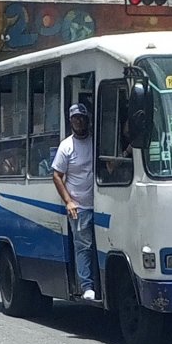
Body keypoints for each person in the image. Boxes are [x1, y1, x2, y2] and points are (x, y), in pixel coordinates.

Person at [52, 103, 97, 301]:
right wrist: (69, 202)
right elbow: (57, 175)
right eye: (75, 118)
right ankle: (87, 286)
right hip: (79, 207)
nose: (78, 121)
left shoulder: (96, 142)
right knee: (83, 246)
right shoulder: (66, 146)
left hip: (101, 204)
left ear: (87, 120)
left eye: (81, 117)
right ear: (70, 121)